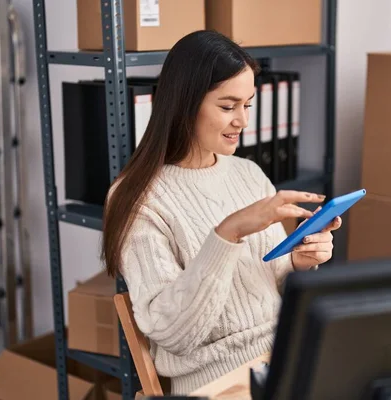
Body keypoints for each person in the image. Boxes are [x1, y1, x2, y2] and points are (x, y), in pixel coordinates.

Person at [101, 30, 342, 395]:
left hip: (286, 353)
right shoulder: (138, 198)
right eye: (228, 107)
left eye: (248, 104)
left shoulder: (248, 173)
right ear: (184, 104)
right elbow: (170, 331)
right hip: (216, 381)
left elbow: (267, 280)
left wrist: (299, 262)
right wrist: (227, 234)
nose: (242, 121)